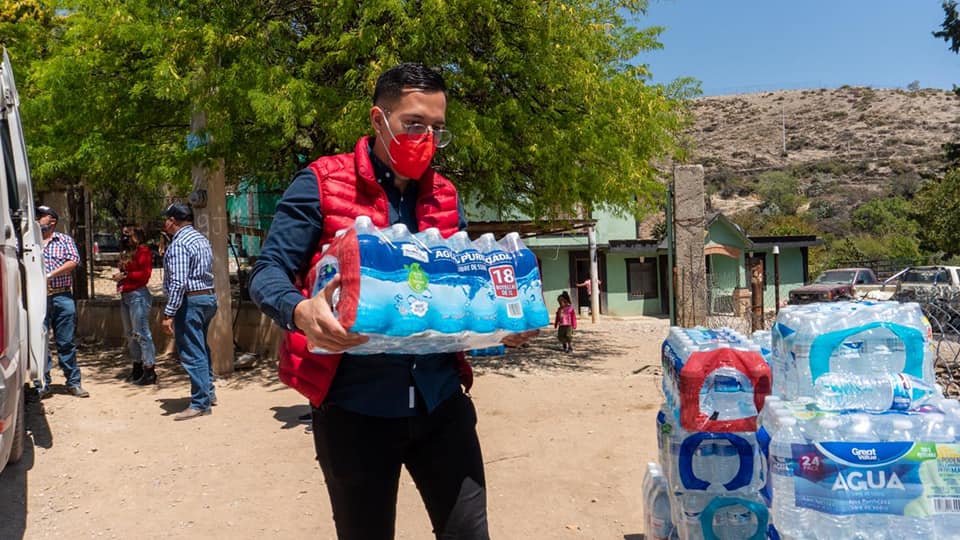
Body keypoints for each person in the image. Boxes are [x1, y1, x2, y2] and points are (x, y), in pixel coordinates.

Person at [249, 63, 536, 539]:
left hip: (441, 402)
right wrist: (300, 311)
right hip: (354, 409)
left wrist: (505, 323)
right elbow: (267, 273)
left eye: (437, 129)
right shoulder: (322, 182)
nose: (426, 137)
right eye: (414, 124)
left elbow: (458, 285)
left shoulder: (445, 196)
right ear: (378, 119)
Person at [160, 202, 218, 420]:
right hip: (207, 298)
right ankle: (208, 393)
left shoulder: (179, 244)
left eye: (166, 219)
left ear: (173, 221)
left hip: (190, 301)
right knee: (201, 347)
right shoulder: (200, 239)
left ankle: (200, 403)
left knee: (192, 352)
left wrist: (169, 313)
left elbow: (178, 282)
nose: (165, 223)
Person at [36, 205, 88, 398]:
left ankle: (73, 382)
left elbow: (74, 261)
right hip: (37, 298)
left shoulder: (64, 240)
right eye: (38, 216)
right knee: (40, 342)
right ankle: (42, 383)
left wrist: (49, 275)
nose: (38, 219)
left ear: (52, 221)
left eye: (42, 216)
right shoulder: (29, 242)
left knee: (66, 341)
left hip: (62, 296)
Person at [112, 225, 157, 385]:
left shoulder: (143, 251)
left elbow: (144, 275)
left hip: (138, 295)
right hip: (126, 294)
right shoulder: (126, 253)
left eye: (128, 235)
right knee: (130, 333)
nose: (125, 238)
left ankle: (149, 369)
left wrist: (125, 275)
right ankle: (137, 366)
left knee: (141, 332)